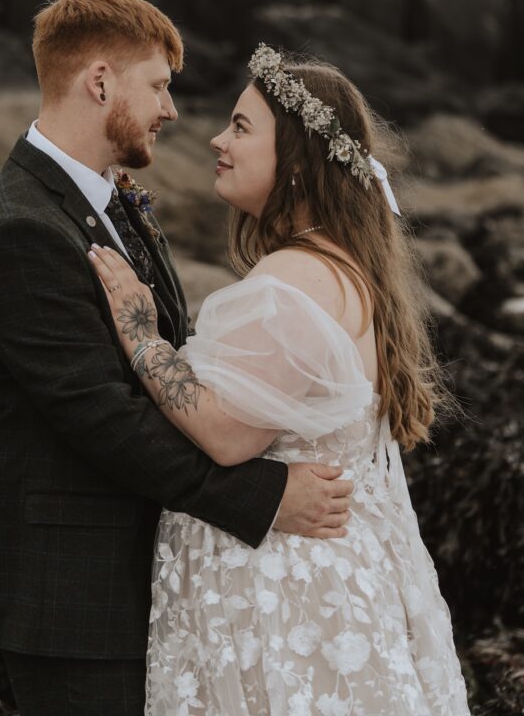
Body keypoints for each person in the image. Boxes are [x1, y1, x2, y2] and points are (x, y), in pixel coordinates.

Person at [0, 0, 355, 716]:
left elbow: (170, 354)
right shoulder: (19, 231)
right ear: (100, 82)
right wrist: (263, 498)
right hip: (71, 599)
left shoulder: (106, 200)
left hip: (129, 578)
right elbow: (103, 419)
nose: (171, 111)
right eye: (159, 85)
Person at [89, 43, 471, 716]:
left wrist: (142, 337)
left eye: (240, 127)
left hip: (277, 592)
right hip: (325, 580)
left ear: (294, 159)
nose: (215, 138)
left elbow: (227, 435)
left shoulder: (292, 281)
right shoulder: (345, 267)